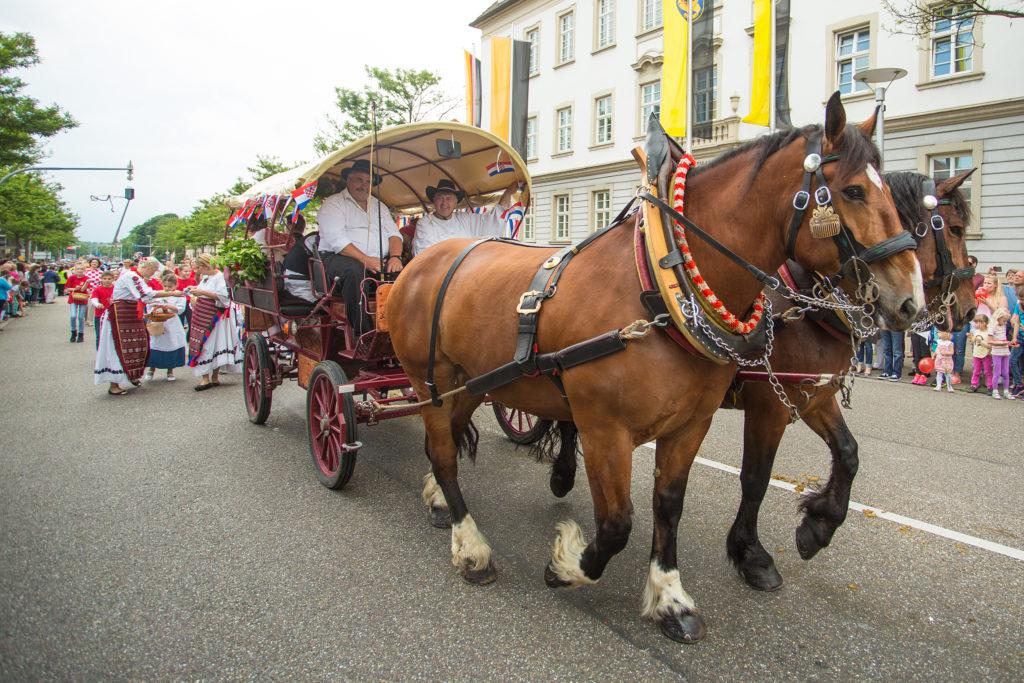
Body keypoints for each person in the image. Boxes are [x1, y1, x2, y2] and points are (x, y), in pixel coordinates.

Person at [316, 159, 402, 334]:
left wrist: (395, 257)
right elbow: (338, 241)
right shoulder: (334, 203)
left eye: (368, 182)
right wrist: (366, 260)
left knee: (406, 273)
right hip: (339, 258)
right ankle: (364, 334)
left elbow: (395, 234)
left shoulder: (379, 206)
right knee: (355, 271)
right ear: (348, 180)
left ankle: (402, 330)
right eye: (359, 180)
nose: (364, 186)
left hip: (378, 261)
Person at [94, 257, 183, 395]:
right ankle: (114, 383)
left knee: (138, 344)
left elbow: (147, 297)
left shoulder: (136, 277)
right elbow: (145, 294)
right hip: (120, 314)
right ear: (148, 268)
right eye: (153, 271)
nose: (153, 274)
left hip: (130, 314)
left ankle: (131, 375)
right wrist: (171, 293)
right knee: (117, 347)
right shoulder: (132, 276)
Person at [409, 179, 518, 256]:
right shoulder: (425, 223)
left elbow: (491, 222)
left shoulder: (464, 219)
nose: (444, 202)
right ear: (434, 201)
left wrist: (508, 194)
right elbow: (425, 256)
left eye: (449, 198)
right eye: (440, 198)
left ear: (456, 202)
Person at [186, 253, 242, 390]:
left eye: (199, 267)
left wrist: (202, 293)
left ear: (205, 266)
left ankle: (214, 377)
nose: (197, 270)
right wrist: (195, 291)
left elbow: (224, 297)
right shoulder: (206, 277)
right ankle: (205, 377)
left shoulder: (220, 277)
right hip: (201, 314)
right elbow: (203, 290)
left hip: (214, 316)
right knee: (204, 344)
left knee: (211, 345)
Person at [144, 270, 187, 381]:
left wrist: (168, 306)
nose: (167, 289)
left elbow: (181, 309)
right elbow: (149, 305)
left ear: (176, 285)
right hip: (158, 322)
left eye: (170, 286)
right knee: (155, 344)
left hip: (172, 323)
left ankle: (170, 371)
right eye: (165, 286)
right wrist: (156, 307)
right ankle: (151, 369)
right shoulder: (158, 294)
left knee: (172, 343)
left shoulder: (179, 295)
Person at [281, 214, 318, 303]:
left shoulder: (308, 239)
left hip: (291, 281)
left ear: (290, 226)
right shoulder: (310, 239)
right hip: (300, 286)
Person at [987, 308, 1013, 400]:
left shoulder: (1003, 325)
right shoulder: (992, 326)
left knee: (1006, 373)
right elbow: (989, 341)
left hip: (1005, 351)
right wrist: (1002, 343)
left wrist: (1008, 343)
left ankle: (1006, 391)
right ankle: (995, 391)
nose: (1005, 322)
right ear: (998, 317)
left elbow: (1003, 338)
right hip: (997, 352)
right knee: (997, 372)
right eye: (1004, 320)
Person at [88, 270, 115, 349]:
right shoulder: (97, 289)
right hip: (100, 316)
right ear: (101, 279)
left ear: (113, 279)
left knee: (113, 336)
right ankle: (99, 355)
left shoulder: (116, 289)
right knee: (99, 336)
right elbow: (93, 299)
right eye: (105, 278)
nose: (107, 280)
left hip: (113, 316)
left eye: (109, 279)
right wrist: (97, 304)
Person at [65, 264, 91, 342]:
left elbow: (83, 289)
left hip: (83, 298)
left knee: (81, 317)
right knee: (73, 316)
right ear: (75, 270)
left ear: (85, 270)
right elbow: (67, 289)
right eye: (78, 269)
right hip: (73, 298)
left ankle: (81, 334)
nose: (80, 271)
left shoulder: (86, 278)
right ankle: (73, 332)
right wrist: (74, 288)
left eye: (82, 269)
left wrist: (86, 283)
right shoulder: (71, 277)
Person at [968, 313, 992, 393]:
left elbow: (989, 345)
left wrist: (981, 342)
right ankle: (974, 384)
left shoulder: (988, 333)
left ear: (984, 323)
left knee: (987, 371)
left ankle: (990, 386)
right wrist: (970, 337)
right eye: (975, 322)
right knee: (976, 370)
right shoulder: (976, 331)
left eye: (977, 322)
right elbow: (973, 341)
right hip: (976, 354)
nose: (976, 324)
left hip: (986, 354)